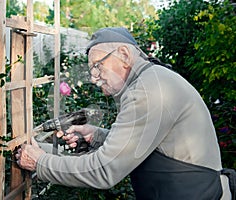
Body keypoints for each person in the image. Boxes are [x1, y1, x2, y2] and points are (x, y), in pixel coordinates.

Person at [15, 27, 234, 199]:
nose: (93, 77)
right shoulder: (151, 79)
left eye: (97, 66)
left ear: (124, 55)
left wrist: (40, 163)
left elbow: (104, 171)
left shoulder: (149, 91)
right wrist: (97, 136)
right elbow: (146, 144)